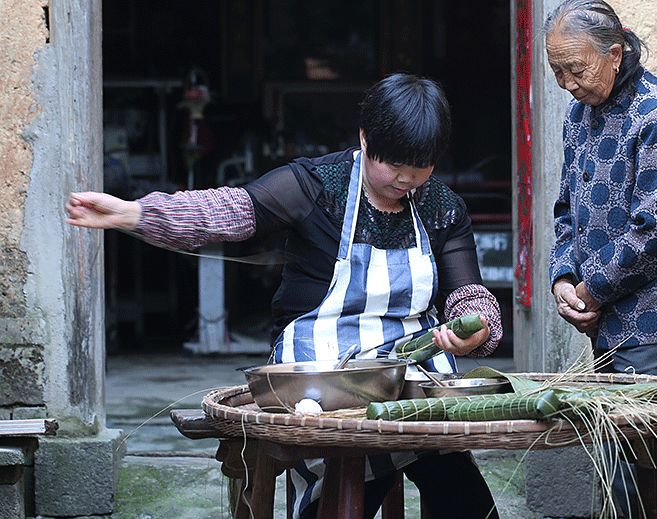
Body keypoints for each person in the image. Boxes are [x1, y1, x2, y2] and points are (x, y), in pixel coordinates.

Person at [67, 73, 502, 519]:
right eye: (392, 164)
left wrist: (475, 327)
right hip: (323, 377)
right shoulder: (314, 185)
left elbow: (468, 292)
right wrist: (135, 213)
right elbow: (229, 210)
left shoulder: (441, 206)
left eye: (419, 168)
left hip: (410, 378)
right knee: (354, 479)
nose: (404, 179)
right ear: (364, 138)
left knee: (463, 496)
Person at [542, 2, 657, 516]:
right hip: (608, 323)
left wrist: (592, 290)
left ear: (615, 54)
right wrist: (564, 275)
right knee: (623, 472)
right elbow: (565, 208)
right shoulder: (579, 115)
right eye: (556, 70)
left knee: (647, 475)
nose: (566, 83)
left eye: (575, 69)